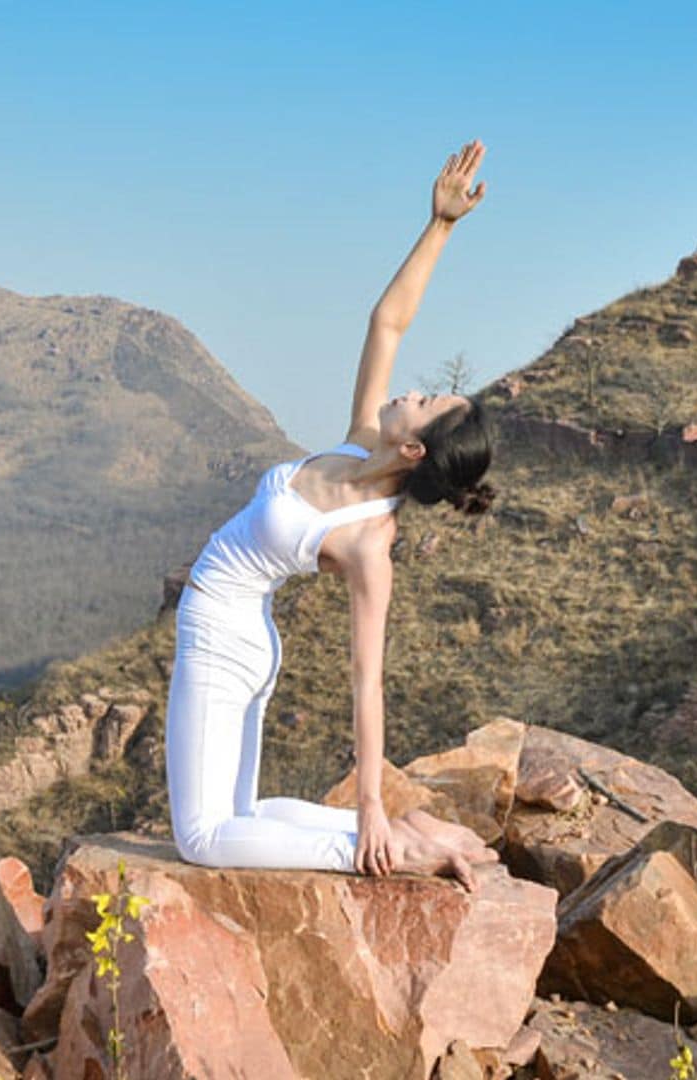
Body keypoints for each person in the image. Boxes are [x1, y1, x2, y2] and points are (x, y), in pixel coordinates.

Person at [165, 141, 501, 888]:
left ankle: (389, 847)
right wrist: (440, 226)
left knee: (201, 839)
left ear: (416, 450)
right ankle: (396, 832)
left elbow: (365, 681)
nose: (409, 393)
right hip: (238, 635)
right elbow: (388, 322)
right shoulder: (356, 445)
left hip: (225, 641)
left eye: (423, 404)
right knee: (238, 816)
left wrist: (373, 805)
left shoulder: (367, 542)